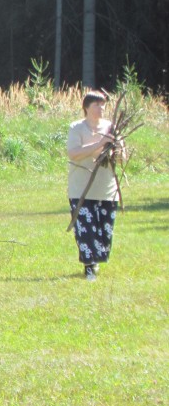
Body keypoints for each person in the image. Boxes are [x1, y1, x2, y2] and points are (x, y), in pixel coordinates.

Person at [67, 90, 125, 281]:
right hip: (81, 189)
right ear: (86, 108)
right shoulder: (77, 128)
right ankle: (89, 266)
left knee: (104, 231)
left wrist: (116, 150)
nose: (101, 108)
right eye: (96, 105)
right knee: (86, 229)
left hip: (106, 190)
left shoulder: (111, 127)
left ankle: (96, 260)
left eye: (103, 105)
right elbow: (73, 153)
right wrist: (99, 144)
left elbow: (122, 156)